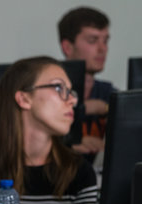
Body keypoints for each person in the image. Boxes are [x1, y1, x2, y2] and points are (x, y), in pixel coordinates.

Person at [0, 56, 98, 204]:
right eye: (59, 88)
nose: (73, 100)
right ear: (24, 98)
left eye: (71, 91)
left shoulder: (80, 172)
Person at [58, 6, 116, 158]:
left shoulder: (109, 92)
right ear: (68, 47)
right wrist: (68, 141)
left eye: (105, 40)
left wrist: (108, 108)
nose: (103, 49)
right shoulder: (51, 94)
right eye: (93, 40)